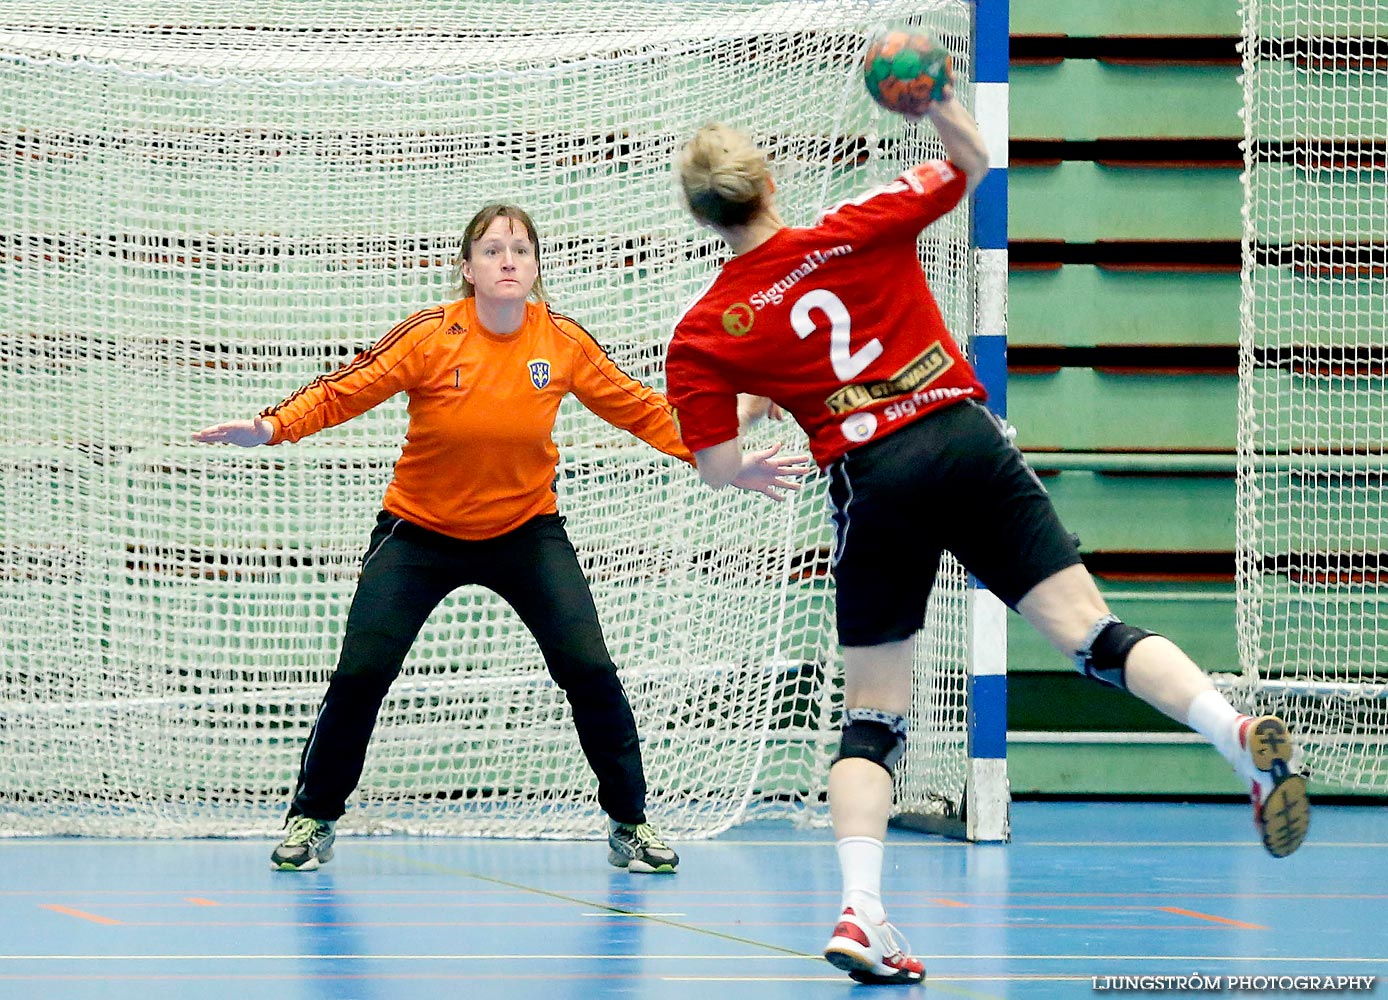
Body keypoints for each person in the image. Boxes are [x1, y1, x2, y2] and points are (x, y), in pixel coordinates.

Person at [664, 92, 1311, 984]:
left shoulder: (707, 330)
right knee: (1092, 632)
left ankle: (862, 910)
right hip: (962, 439)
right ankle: (1232, 730)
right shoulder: (856, 224)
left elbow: (716, 458)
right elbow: (974, 161)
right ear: (769, 183)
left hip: (873, 478)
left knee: (873, 718)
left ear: (702, 217)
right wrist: (936, 103)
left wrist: (759, 448)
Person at [194, 203, 808, 875]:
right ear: (468, 270)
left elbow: (647, 413)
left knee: (590, 671)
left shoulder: (563, 343)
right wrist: (270, 426)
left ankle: (630, 823)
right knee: (362, 673)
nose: (508, 259)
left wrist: (723, 459)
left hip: (526, 533)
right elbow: (346, 390)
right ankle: (313, 817)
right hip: (418, 533)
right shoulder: (431, 336)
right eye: (491, 250)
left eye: (520, 248)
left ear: (536, 268)